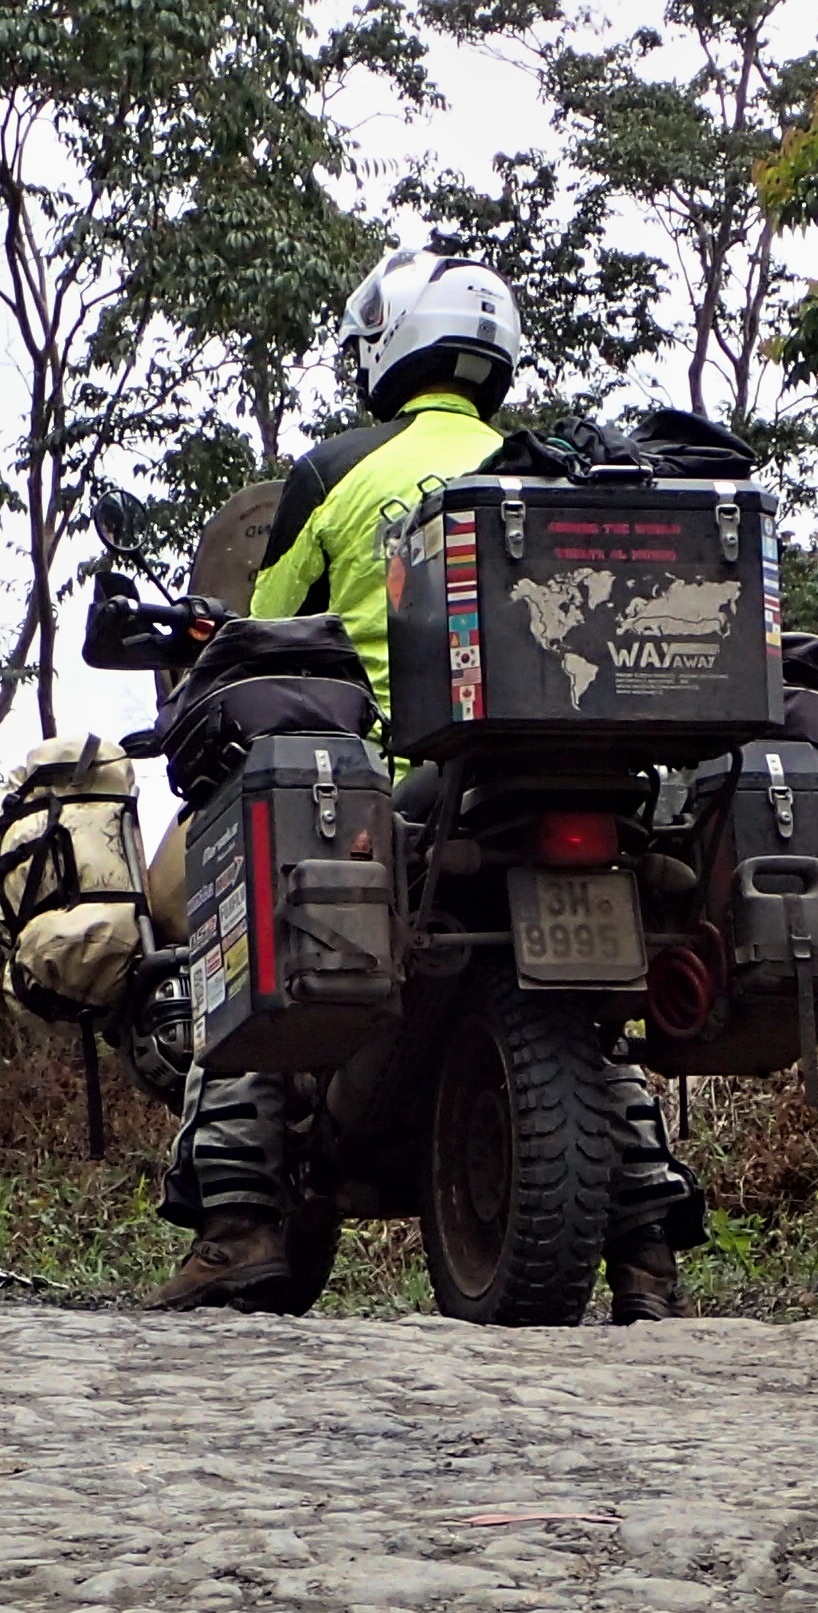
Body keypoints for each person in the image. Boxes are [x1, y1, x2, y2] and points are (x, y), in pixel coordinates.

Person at [153, 247, 704, 1319]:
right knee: (589, 1018)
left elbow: (261, 640)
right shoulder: (550, 468)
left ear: (388, 346)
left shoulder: (332, 471)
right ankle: (645, 1250)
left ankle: (238, 1220)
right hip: (562, 778)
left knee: (248, 935)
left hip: (388, 793)